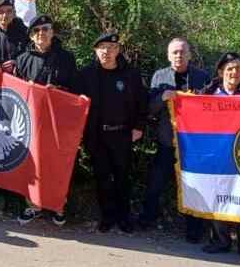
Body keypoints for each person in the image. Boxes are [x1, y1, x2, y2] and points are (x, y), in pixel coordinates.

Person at [138, 38, 209, 238]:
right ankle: (147, 218)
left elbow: (209, 109)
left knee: (194, 188)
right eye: (174, 52)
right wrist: (162, 98)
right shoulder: (159, 76)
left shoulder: (202, 77)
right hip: (166, 141)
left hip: (193, 145)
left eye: (182, 52)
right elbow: (148, 108)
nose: (178, 56)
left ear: (189, 54)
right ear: (168, 56)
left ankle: (195, 229)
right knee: (155, 184)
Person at [76, 31, 144, 233]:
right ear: (96, 50)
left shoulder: (130, 75)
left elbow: (142, 102)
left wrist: (139, 127)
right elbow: (76, 103)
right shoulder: (85, 75)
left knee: (123, 178)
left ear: (118, 50)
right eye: (102, 47)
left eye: (111, 47)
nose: (107, 51)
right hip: (96, 136)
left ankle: (124, 218)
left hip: (123, 135)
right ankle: (107, 217)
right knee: (102, 178)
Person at [15, 15, 78, 226]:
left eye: (46, 29)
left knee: (57, 164)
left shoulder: (66, 58)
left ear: (52, 32)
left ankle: (58, 205)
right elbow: (16, 89)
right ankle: (33, 205)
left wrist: (58, 91)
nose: (41, 33)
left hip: (58, 122)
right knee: (32, 165)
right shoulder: (22, 59)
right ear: (32, 36)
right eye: (37, 30)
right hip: (31, 121)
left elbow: (76, 90)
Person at [200, 52, 240, 264]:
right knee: (218, 197)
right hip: (219, 157)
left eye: (238, 69)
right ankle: (220, 241)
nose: (234, 73)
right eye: (230, 69)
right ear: (221, 72)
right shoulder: (208, 93)